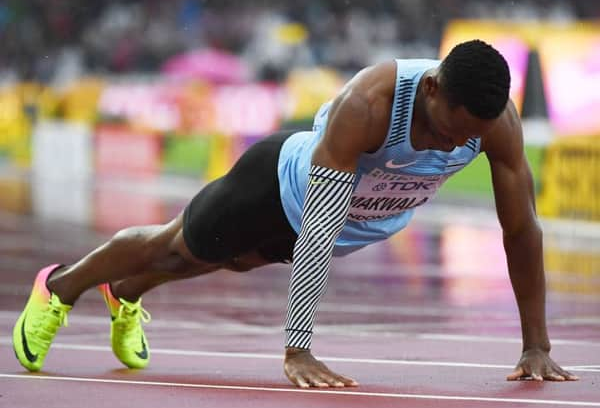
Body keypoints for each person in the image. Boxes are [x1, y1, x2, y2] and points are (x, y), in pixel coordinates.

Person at [13, 39, 578, 388]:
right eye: (443, 132)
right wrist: (298, 347)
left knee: (222, 263)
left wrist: (536, 345)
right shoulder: (370, 104)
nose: (445, 148)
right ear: (430, 89)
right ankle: (60, 287)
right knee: (180, 248)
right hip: (275, 187)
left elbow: (521, 231)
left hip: (343, 225)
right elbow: (320, 221)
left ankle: (126, 294)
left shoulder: (493, 125)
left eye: (465, 143)